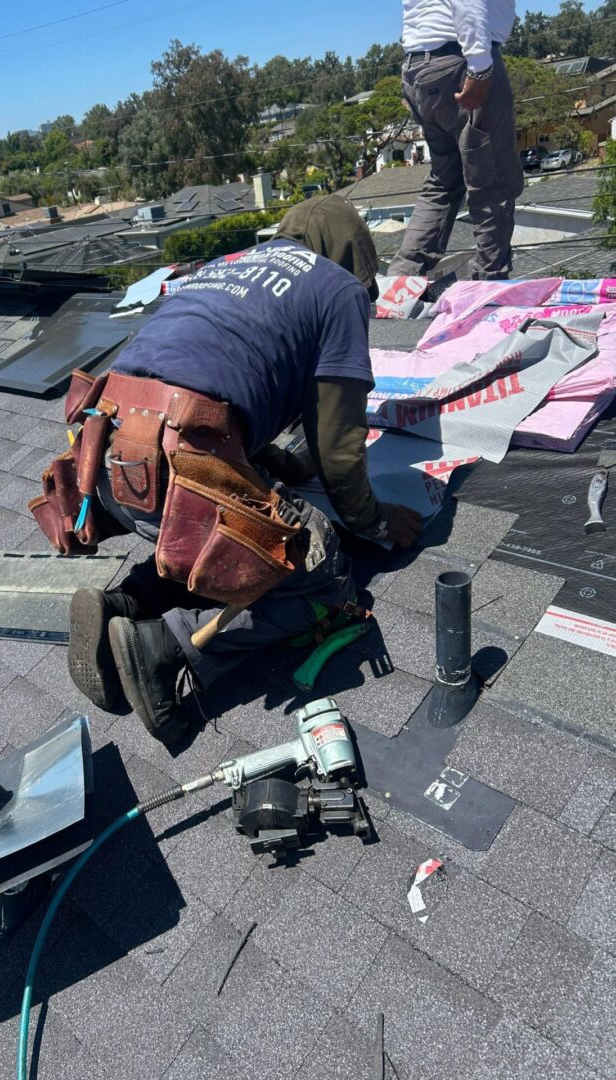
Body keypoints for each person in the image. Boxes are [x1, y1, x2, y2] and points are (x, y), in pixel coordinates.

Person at [62, 193, 422, 744]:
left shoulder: (221, 268)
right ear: (351, 252)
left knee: (213, 529)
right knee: (319, 574)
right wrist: (373, 521)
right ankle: (165, 646)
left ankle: (126, 603)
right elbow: (338, 446)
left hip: (104, 462)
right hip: (180, 474)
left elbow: (214, 385)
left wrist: (276, 462)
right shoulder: (338, 289)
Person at [387, 0, 524, 281]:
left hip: (420, 66)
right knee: (492, 182)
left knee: (444, 180)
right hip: (459, 60)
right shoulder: (473, 60)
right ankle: (489, 287)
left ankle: (401, 280)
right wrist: (480, 67)